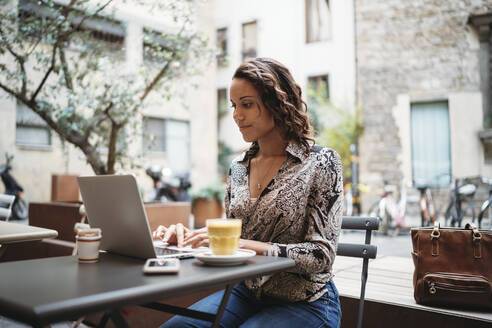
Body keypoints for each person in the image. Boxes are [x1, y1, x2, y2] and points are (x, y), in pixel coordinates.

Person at [153, 57, 343, 328]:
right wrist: (184, 241)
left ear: (277, 103)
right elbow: (232, 237)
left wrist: (240, 244)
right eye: (234, 106)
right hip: (246, 294)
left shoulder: (321, 162)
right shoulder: (238, 169)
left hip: (307, 302)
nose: (236, 115)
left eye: (247, 104)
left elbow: (320, 256)